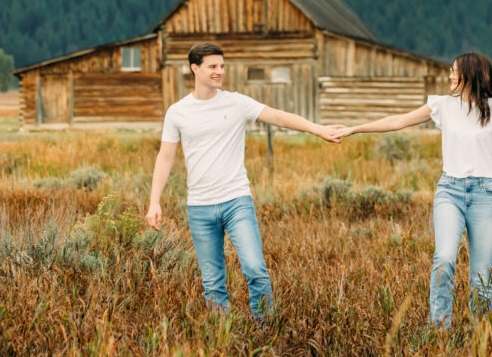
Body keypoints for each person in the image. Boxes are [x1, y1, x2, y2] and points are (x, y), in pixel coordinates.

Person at [338, 52, 492, 328]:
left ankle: (480, 332)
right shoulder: (441, 106)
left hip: (486, 197)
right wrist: (354, 129)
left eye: (454, 71)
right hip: (450, 192)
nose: (449, 76)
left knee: (481, 274)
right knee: (445, 258)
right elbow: (397, 121)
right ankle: (439, 329)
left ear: (470, 76)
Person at [145, 42, 343, 320]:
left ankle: (265, 329)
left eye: (222, 66)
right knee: (213, 283)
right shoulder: (177, 112)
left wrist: (316, 128)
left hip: (236, 201)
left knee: (255, 269)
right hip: (199, 208)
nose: (219, 72)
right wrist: (154, 201)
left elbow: (278, 116)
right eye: (213, 66)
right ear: (195, 69)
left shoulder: (236, 103)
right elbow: (165, 158)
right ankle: (223, 338)